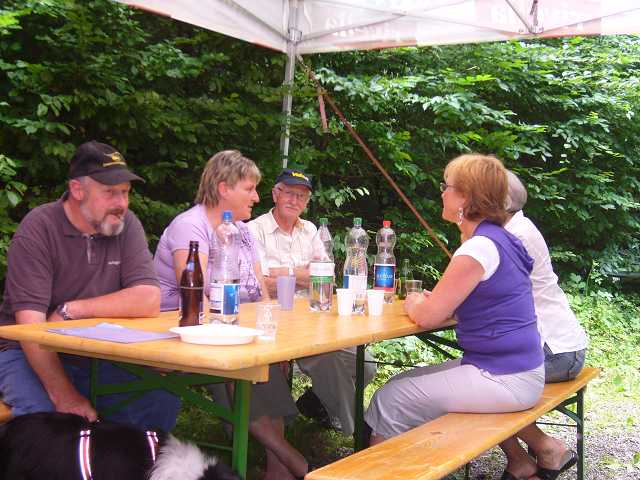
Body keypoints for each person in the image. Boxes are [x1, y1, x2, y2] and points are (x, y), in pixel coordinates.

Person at [365, 154, 545, 447]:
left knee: (391, 400)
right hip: (515, 368)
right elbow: (486, 302)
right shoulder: (501, 238)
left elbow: (428, 317)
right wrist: (436, 303)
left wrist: (414, 303)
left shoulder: (479, 248)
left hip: (505, 376)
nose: (443, 193)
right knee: (397, 384)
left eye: (446, 187)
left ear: (465, 198)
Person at [0, 140, 180, 432]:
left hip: (93, 350)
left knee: (159, 400)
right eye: (110, 192)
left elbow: (148, 298)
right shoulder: (39, 229)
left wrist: (73, 309)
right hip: (25, 351)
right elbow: (31, 330)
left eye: (125, 193)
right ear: (77, 191)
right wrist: (65, 395)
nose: (121, 203)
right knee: (47, 423)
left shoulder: (125, 224)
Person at [154, 150, 308, 480]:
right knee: (240, 368)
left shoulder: (242, 230)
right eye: (250, 188)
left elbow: (260, 289)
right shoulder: (190, 227)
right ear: (224, 189)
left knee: (264, 367)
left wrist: (271, 332)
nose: (256, 197)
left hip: (230, 326)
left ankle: (278, 472)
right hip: (177, 331)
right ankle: (297, 464)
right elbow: (197, 295)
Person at [248, 168, 377, 436]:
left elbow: (327, 279)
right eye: (290, 193)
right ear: (275, 193)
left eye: (302, 196)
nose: (295, 201)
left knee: (365, 364)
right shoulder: (254, 230)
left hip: (313, 318)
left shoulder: (310, 230)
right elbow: (260, 283)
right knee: (329, 359)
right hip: (273, 321)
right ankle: (358, 433)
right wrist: (305, 274)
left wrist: (284, 273)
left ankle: (314, 402)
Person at [498, 171, 588, 480]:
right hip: (564, 346)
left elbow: (483, 297)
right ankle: (523, 460)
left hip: (554, 350)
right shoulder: (517, 227)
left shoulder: (512, 236)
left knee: (481, 385)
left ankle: (545, 448)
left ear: (496, 202)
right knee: (478, 378)